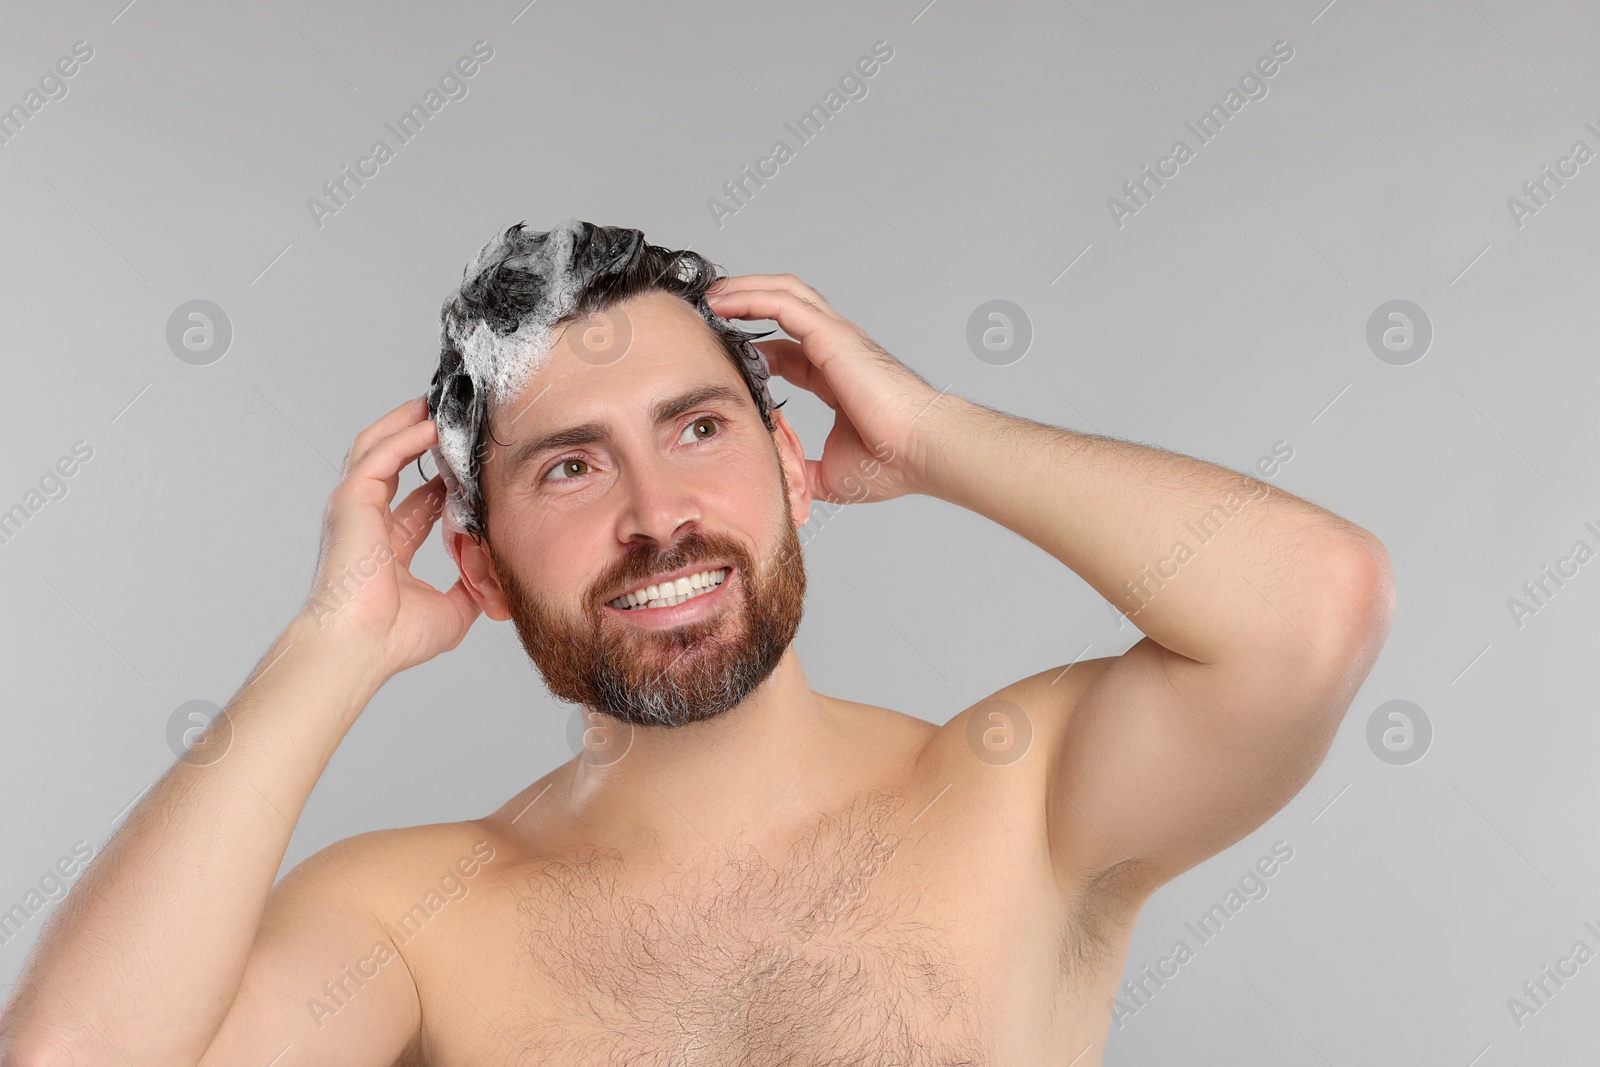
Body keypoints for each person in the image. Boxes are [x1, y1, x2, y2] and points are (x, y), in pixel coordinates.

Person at [0, 220, 1395, 1066]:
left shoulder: (1019, 799)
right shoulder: (409, 919)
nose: (659, 517)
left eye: (699, 428)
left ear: (793, 467)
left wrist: (929, 436)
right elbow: (76, 1057)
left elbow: (1314, 605)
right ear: (476, 564)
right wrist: (332, 640)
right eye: (569, 469)